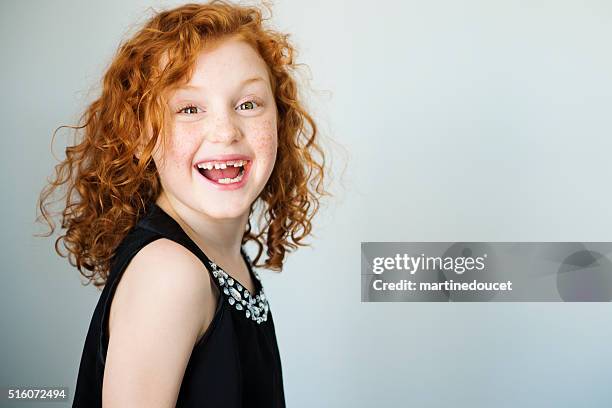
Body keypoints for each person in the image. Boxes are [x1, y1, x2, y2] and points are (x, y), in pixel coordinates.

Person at [35, 1, 328, 406]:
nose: (225, 132)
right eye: (189, 109)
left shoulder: (222, 255)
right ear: (140, 137)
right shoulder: (171, 275)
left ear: (280, 120)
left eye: (248, 104)